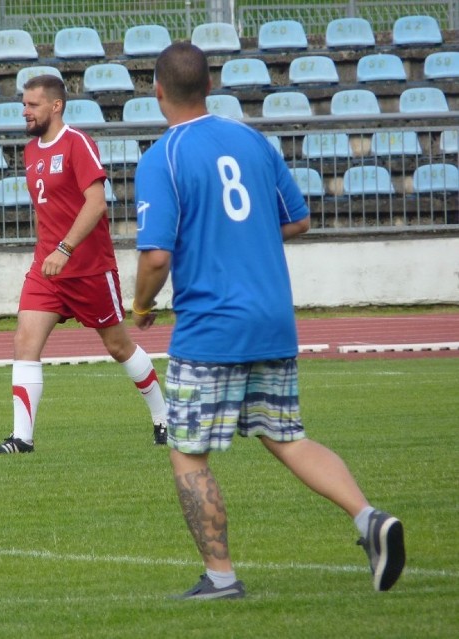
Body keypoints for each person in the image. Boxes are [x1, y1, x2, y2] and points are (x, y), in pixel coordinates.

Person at [132, 43, 405, 599]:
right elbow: (298, 219)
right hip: (272, 317)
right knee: (286, 436)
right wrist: (243, 237)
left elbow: (156, 256)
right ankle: (368, 518)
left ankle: (221, 577)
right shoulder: (253, 141)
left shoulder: (163, 156)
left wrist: (140, 307)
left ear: (157, 91)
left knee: (187, 448)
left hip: (211, 324)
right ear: (209, 86)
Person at [0, 74, 167, 455]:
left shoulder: (77, 143)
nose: (25, 111)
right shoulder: (31, 151)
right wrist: (46, 253)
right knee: (24, 341)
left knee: (118, 347)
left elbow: (96, 203)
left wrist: (63, 249)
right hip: (47, 270)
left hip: (87, 267)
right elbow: (46, 210)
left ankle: (164, 418)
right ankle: (21, 439)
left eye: (32, 105)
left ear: (55, 106)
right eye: (24, 104)